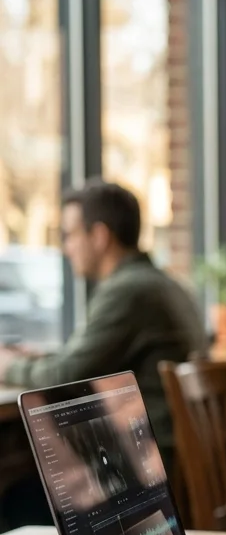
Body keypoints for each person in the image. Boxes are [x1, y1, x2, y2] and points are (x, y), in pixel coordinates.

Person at [0, 180, 206, 464]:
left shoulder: (127, 292)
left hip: (148, 463)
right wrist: (45, 357)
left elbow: (65, 375)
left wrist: (8, 366)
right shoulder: (166, 284)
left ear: (99, 236)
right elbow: (86, 360)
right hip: (179, 453)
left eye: (69, 235)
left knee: (15, 500)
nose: (65, 248)